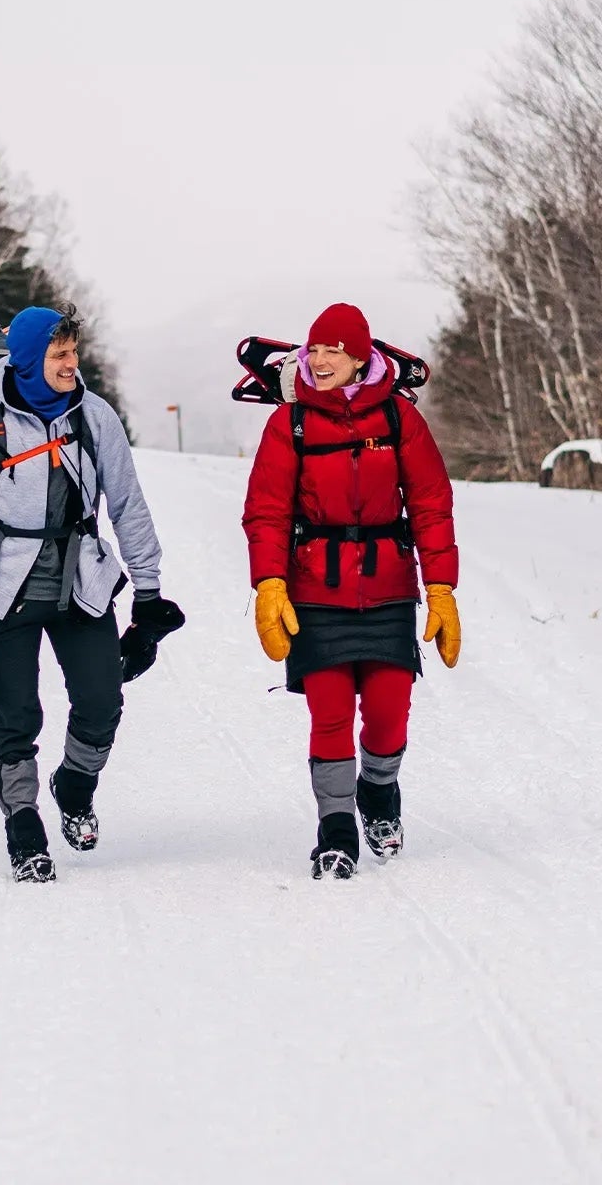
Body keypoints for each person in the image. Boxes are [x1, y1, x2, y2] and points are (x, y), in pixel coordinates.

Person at [0, 305, 183, 883]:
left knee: (102, 700)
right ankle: (23, 825)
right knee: (15, 711)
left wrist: (149, 597)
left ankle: (75, 786)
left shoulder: (94, 415)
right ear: (31, 359)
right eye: (60, 355)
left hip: (81, 577)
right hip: (2, 581)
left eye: (73, 353)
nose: (71, 364)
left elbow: (128, 505)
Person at [241, 302, 460, 879]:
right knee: (330, 712)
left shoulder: (398, 420)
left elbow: (433, 505)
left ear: (361, 356)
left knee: (390, 709)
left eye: (333, 350)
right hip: (316, 588)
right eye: (314, 349)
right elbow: (265, 511)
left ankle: (379, 791)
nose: (320, 359)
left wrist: (441, 589)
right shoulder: (288, 422)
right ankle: (335, 828)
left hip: (389, 586)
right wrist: (269, 583)